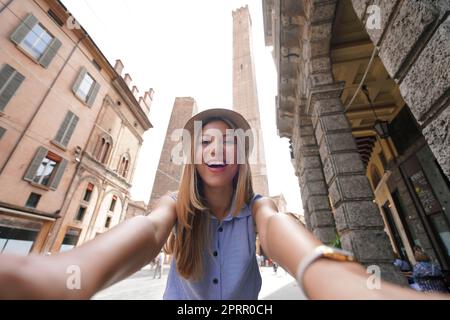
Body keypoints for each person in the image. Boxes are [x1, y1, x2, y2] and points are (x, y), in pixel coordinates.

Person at [0, 108, 449, 300]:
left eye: (228, 142)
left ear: (241, 156)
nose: (216, 149)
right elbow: (147, 232)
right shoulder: (169, 207)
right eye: (205, 142)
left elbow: (294, 244)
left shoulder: (260, 209)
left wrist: (352, 288)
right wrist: (62, 274)